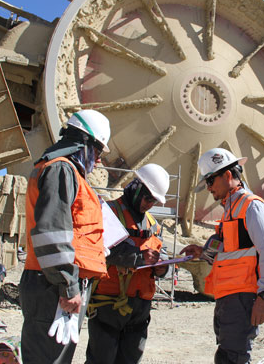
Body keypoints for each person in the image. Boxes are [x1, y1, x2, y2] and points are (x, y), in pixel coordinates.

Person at [19, 109, 111, 363]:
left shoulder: (63, 171)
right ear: (85, 144)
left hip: (55, 283)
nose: (99, 160)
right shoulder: (61, 170)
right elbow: (51, 233)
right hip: (54, 286)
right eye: (99, 151)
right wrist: (68, 286)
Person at [180, 148, 264, 364]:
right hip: (228, 297)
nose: (208, 188)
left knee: (234, 356)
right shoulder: (230, 212)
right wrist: (202, 253)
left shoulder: (251, 206)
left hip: (244, 297)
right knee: (227, 354)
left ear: (227, 175)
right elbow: (231, 253)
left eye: (210, 181)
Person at [85, 163, 170, 364]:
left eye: (154, 201)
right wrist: (138, 257)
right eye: (148, 198)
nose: (149, 204)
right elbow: (100, 251)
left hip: (139, 309)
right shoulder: (108, 213)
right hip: (108, 304)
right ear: (135, 187)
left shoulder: (152, 224)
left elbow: (161, 251)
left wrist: (162, 267)